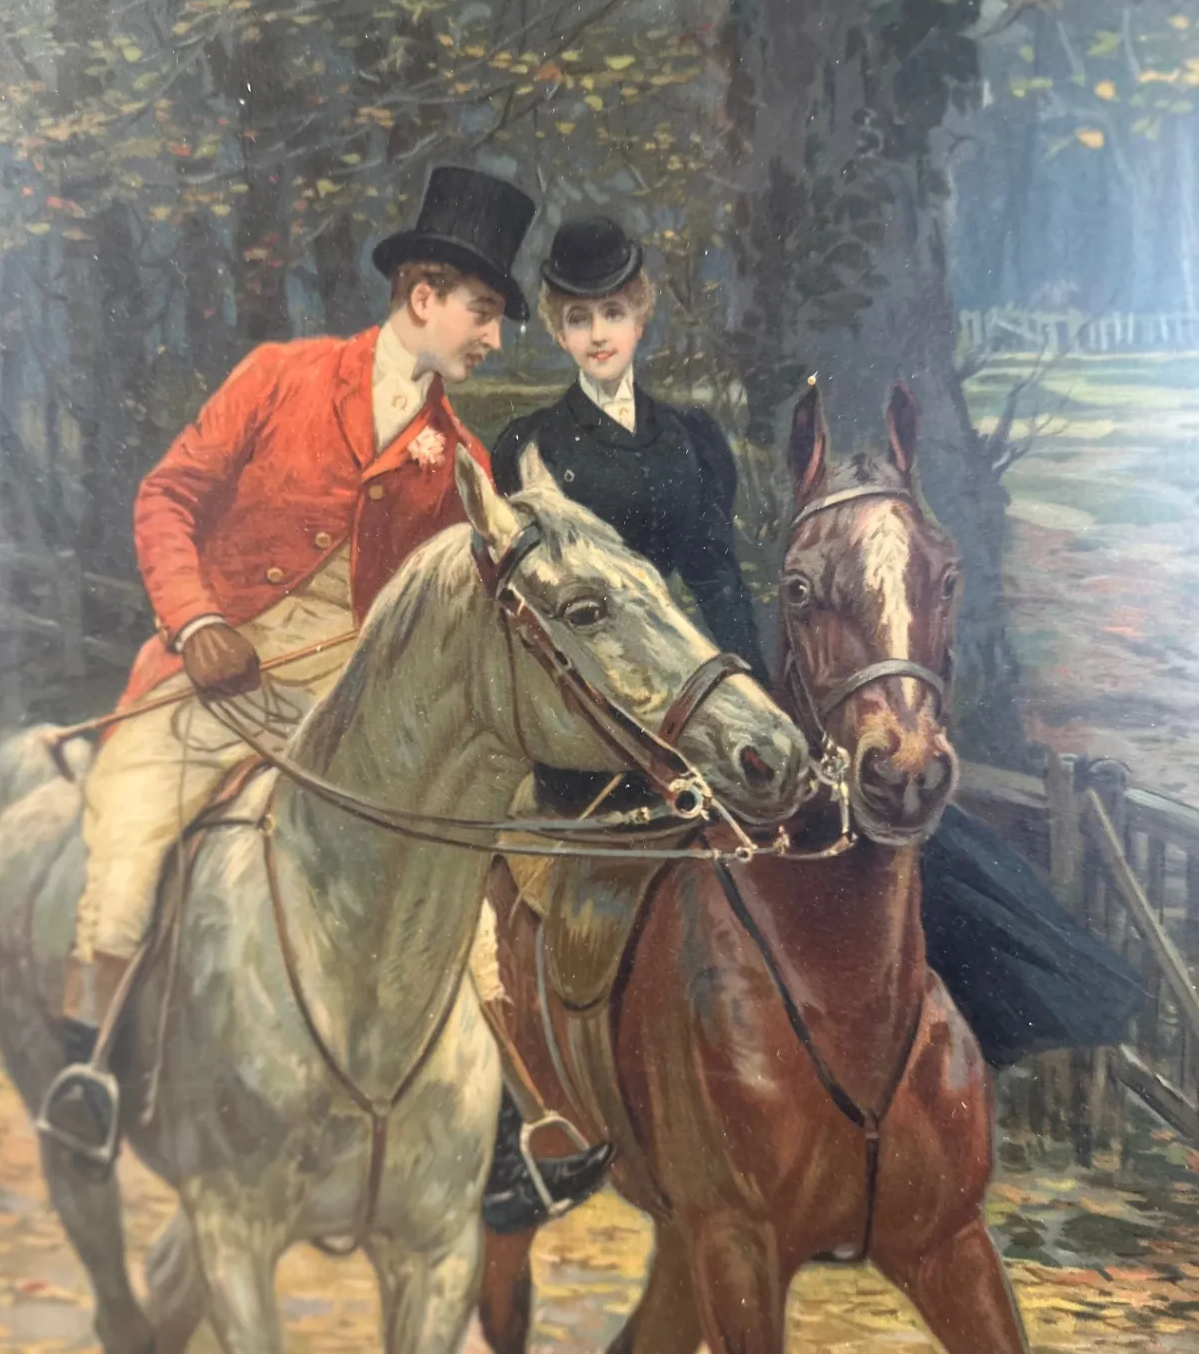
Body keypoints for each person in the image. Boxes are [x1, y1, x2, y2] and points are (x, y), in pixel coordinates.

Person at [481, 214, 1143, 1235]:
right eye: (577, 319)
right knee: (509, 921)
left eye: (613, 312)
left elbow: (716, 581)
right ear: (558, 329)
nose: (598, 334)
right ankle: (520, 1140)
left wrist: (745, 708)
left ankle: (943, 1074)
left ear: (641, 315)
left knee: (893, 862)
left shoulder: (693, 442)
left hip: (704, 712)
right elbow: (536, 616)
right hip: (595, 736)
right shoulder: (528, 449)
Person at [38, 165, 612, 1226]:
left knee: (453, 879)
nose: (494, 338)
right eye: (484, 311)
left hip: (346, 709)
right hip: (213, 674)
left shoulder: (461, 459)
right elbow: (166, 496)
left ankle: (505, 1135)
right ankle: (89, 1068)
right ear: (424, 295)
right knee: (131, 824)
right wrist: (196, 621)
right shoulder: (281, 376)